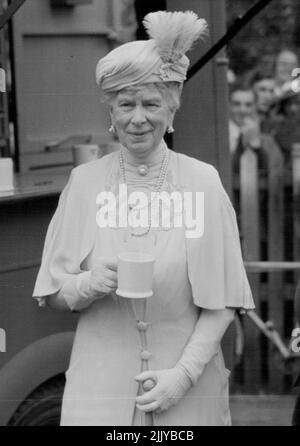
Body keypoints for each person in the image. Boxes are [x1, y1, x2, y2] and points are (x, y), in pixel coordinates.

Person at [32, 10, 254, 426]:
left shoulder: (202, 182)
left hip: (186, 396)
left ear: (171, 110)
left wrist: (182, 377)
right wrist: (88, 283)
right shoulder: (84, 184)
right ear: (110, 113)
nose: (138, 118)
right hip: (100, 394)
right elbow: (53, 292)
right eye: (126, 104)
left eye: (151, 104)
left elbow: (224, 302)